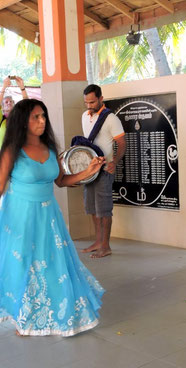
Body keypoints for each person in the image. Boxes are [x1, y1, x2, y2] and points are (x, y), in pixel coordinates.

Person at [0, 98, 105, 336]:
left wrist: (88, 171)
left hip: (48, 215)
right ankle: (23, 317)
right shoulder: (13, 150)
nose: (42, 121)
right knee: (23, 264)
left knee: (51, 263)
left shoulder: (51, 149)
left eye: (43, 116)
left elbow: (61, 181)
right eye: (36, 117)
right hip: (19, 216)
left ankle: (55, 312)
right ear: (23, 121)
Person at [81, 84, 126, 258]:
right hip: (90, 170)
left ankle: (106, 246)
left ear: (101, 98)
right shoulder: (84, 116)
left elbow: (122, 143)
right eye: (86, 102)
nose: (89, 106)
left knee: (104, 209)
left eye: (92, 102)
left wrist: (115, 161)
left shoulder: (111, 119)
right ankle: (99, 241)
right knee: (91, 207)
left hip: (105, 170)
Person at [0, 76, 28, 149]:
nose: (9, 103)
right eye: (6, 102)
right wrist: (4, 87)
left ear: (14, 104)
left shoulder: (19, 118)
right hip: (3, 152)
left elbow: (27, 104)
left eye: (11, 101)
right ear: (2, 107)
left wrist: (22, 87)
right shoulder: (0, 119)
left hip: (18, 151)